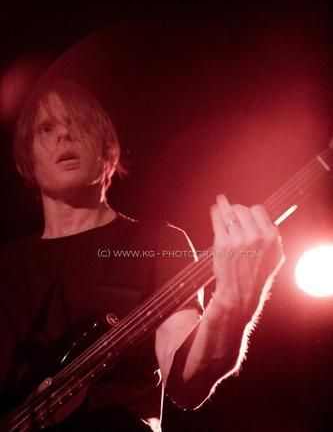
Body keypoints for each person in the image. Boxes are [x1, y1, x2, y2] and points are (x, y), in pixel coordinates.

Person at [0, 80, 284, 431]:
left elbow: (187, 383)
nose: (64, 135)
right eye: (47, 128)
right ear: (27, 157)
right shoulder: (7, 266)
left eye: (79, 124)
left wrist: (233, 302)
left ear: (108, 149)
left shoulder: (157, 241)